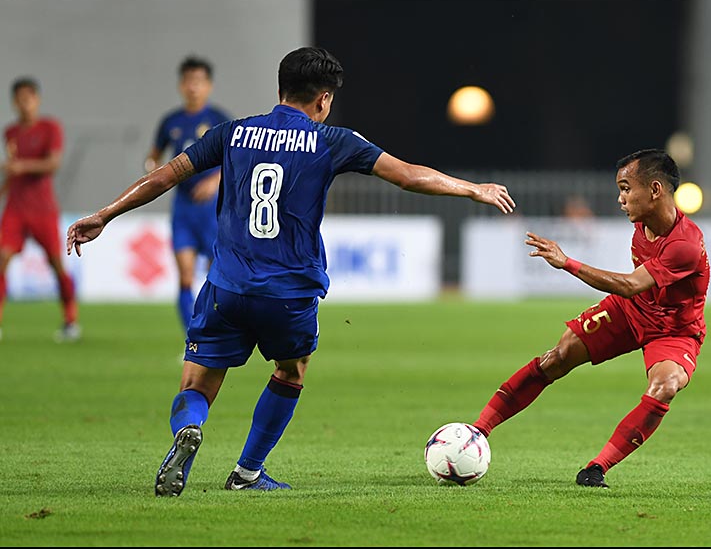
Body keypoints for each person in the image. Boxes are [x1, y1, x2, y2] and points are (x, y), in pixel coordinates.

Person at [66, 46, 516, 497]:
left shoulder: (232, 133)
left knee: (196, 383)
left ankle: (190, 429)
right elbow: (407, 175)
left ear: (280, 88)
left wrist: (105, 214)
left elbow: (165, 176)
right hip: (289, 293)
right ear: (323, 99)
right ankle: (247, 473)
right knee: (290, 371)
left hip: (228, 286)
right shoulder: (332, 140)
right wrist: (473, 189)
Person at [472, 148, 709, 488]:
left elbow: (629, 284)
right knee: (557, 357)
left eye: (626, 188)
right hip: (633, 311)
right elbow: (633, 293)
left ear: (655, 190)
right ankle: (478, 431)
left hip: (673, 331)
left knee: (666, 385)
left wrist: (567, 262)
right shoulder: (645, 220)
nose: (620, 199)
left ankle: (597, 467)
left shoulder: (684, 244)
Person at [144, 55, 232, 332]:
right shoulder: (171, 121)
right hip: (183, 208)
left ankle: (214, 333)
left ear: (209, 86)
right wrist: (153, 171)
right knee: (184, 275)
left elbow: (235, 159)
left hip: (213, 208)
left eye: (199, 81)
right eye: (188, 81)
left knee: (215, 275)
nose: (193, 87)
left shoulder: (219, 119)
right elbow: (153, 156)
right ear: (181, 85)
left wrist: (215, 180)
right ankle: (191, 338)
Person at [0, 77, 79, 343]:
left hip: (43, 208)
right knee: (2, 258)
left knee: (56, 264)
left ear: (37, 99)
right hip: (16, 207)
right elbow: (12, 171)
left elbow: (53, 165)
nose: (24, 104)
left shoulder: (49, 128)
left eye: (29, 98)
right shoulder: (10, 132)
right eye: (19, 99)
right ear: (14, 102)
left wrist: (21, 166)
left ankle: (70, 319)